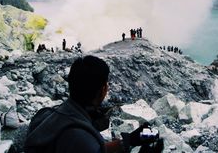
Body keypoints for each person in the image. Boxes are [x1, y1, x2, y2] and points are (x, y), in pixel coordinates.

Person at [24, 56, 163, 153]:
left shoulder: (50, 114)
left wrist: (128, 141)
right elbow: (86, 148)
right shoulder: (79, 138)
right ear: (103, 90)